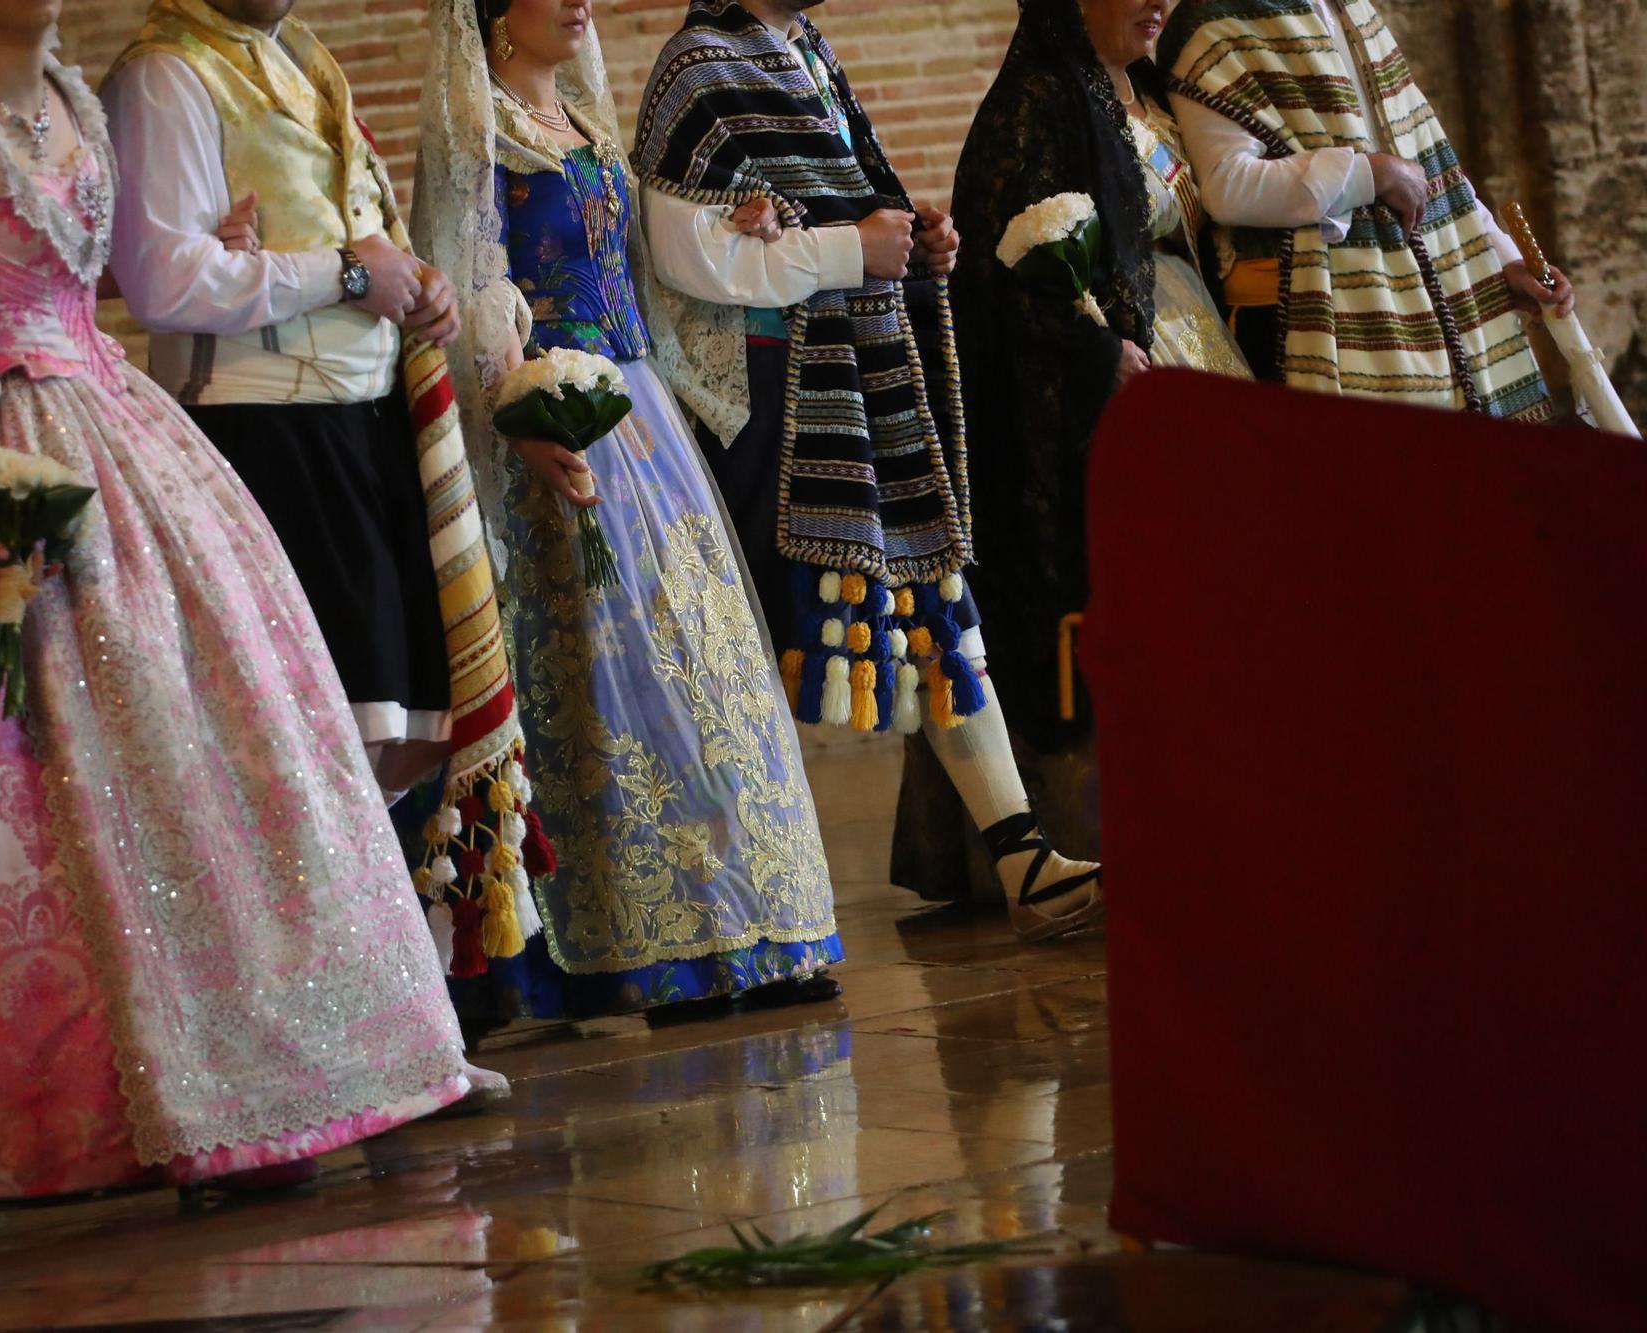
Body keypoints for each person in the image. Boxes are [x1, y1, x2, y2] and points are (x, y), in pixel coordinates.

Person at [0, 0, 492, 1202]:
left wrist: (232, 247)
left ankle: (274, 1058)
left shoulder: (79, 109)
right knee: (32, 759)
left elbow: (134, 275)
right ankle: (54, 1102)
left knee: (212, 730)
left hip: (112, 410)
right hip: (6, 434)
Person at [103, 0, 550, 993]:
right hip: (263, 426)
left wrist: (414, 284)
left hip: (361, 416)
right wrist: (346, 272)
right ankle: (355, 996)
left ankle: (400, 999)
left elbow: (360, 229)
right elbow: (162, 280)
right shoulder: (166, 74)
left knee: (396, 726)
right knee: (324, 735)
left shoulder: (296, 55)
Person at [410, 0, 842, 1025]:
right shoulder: (481, 136)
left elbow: (637, 276)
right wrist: (514, 401)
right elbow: (470, 277)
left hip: (639, 408)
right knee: (616, 675)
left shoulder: (591, 130)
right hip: (556, 416)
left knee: (701, 661)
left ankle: (753, 924)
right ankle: (649, 943)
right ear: (496, 15)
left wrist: (738, 228)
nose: (579, 4)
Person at [635, 0, 1103, 942]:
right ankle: (730, 896)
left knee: (934, 598)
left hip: (857, 371)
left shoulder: (807, 53)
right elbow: (687, 256)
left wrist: (912, 243)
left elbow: (839, 204)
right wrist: (854, 247)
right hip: (773, 390)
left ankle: (1020, 855)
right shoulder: (699, 67)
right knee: (760, 637)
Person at [891, 0, 1252, 897]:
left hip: (1194, 344)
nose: (1154, 0)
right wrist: (1093, 348)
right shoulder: (1039, 102)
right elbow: (995, 275)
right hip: (1105, 382)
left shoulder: (1150, 95)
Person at [1161, 0, 1571, 414]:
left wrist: (1500, 261)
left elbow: (1423, 157)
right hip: (1300, 322)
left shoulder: (1353, 10)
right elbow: (1227, 187)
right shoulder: (1210, 22)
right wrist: (1370, 176)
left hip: (1420, 320)